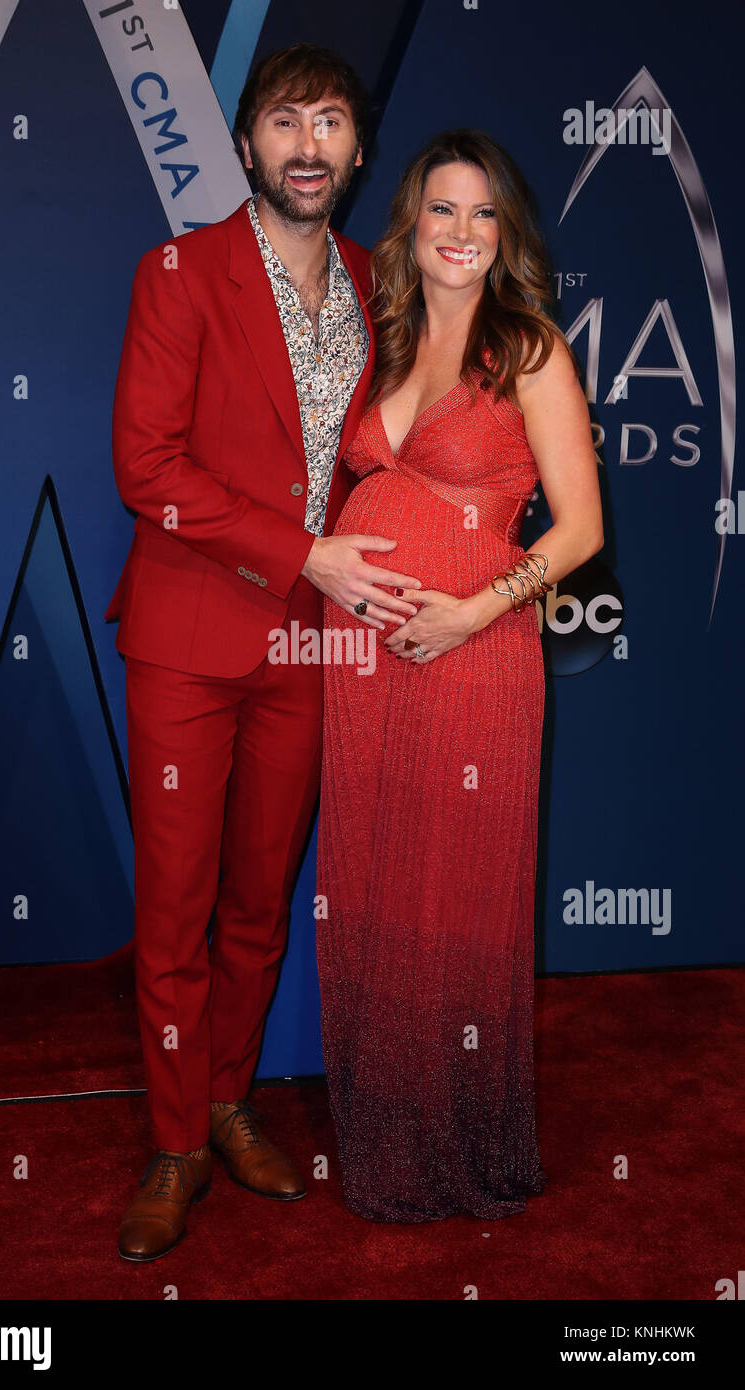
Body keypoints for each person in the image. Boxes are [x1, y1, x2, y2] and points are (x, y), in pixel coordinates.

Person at [105, 43, 423, 1262]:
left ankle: (228, 1102)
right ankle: (174, 1142)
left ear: (355, 149)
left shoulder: (373, 278)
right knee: (175, 905)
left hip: (309, 646)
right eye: (284, 121)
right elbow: (146, 466)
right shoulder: (178, 273)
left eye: (329, 121)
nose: (306, 144)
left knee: (256, 901)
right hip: (190, 637)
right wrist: (305, 555)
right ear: (246, 144)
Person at [316, 129, 604, 1222]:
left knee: (454, 897)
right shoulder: (382, 343)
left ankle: (459, 1141)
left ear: (504, 234)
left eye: (483, 213)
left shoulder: (526, 348)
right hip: (364, 666)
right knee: (375, 889)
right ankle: (385, 1133)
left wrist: (473, 611)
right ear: (411, 223)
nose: (462, 231)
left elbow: (578, 530)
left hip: (474, 656)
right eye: (442, 208)